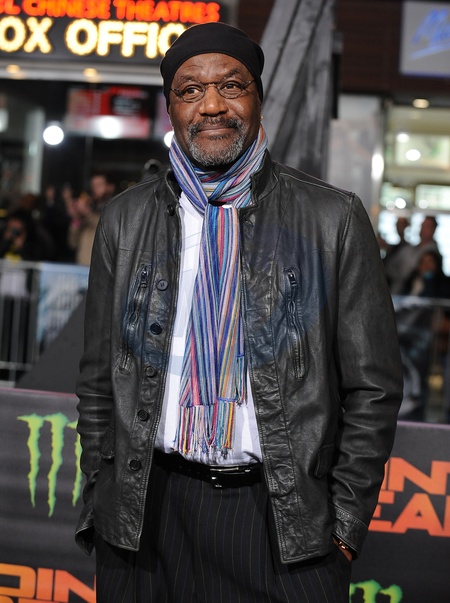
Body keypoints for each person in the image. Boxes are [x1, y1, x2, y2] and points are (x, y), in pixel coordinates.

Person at [75, 22, 403, 603]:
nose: (211, 106)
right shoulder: (125, 219)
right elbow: (99, 376)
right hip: (144, 516)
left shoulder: (332, 218)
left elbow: (373, 387)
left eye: (231, 86)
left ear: (257, 97)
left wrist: (344, 527)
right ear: (171, 107)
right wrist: (102, 493)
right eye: (190, 90)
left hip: (281, 524)